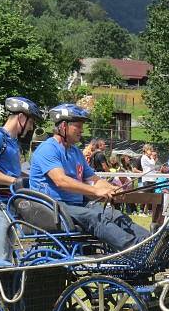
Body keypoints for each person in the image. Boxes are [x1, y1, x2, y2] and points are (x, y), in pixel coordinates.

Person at [29, 104, 149, 251]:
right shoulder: (48, 149)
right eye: (78, 126)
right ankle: (136, 249)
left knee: (113, 214)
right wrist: (96, 192)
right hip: (54, 207)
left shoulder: (75, 152)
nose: (82, 130)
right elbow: (61, 181)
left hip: (76, 205)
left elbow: (93, 179)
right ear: (63, 126)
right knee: (93, 217)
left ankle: (150, 241)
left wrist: (111, 188)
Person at [0, 96, 44, 261]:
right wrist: (14, 181)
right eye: (30, 122)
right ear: (21, 117)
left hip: (8, 203)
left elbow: (14, 174)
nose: (30, 128)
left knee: (8, 258)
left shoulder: (13, 142)